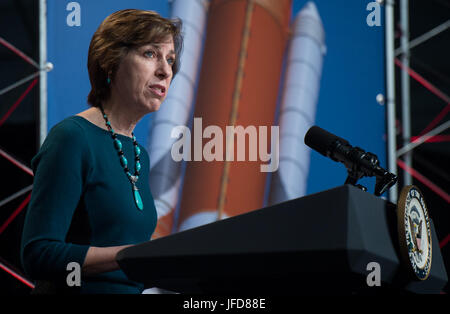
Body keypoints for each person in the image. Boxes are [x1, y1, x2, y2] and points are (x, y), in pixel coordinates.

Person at [20, 9, 183, 294]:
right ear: (110, 62)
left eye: (170, 60)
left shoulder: (138, 154)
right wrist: (129, 257)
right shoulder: (72, 138)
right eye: (150, 54)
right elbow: (39, 254)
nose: (165, 70)